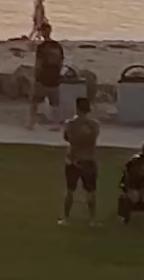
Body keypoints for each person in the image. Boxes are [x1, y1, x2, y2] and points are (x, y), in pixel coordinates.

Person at [60, 96, 100, 225]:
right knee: (91, 191)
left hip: (74, 160)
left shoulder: (70, 124)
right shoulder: (94, 125)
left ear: (77, 108)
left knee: (70, 190)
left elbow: (67, 138)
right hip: (89, 159)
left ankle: (66, 218)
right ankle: (92, 219)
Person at [29, 22, 64, 128]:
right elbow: (60, 63)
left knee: (34, 101)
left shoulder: (42, 47)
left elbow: (39, 63)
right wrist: (58, 73)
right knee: (55, 103)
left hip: (43, 77)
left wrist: (35, 76)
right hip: (55, 77)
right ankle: (56, 123)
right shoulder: (57, 46)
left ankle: (31, 122)